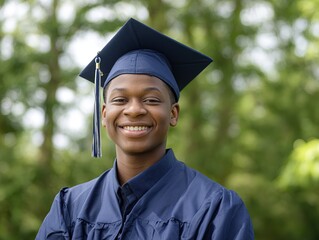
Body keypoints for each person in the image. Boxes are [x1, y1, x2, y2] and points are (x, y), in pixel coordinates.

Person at [36, 18, 254, 239]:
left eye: (151, 100)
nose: (134, 110)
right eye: (120, 100)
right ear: (104, 114)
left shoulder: (214, 210)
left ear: (173, 113)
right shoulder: (70, 208)